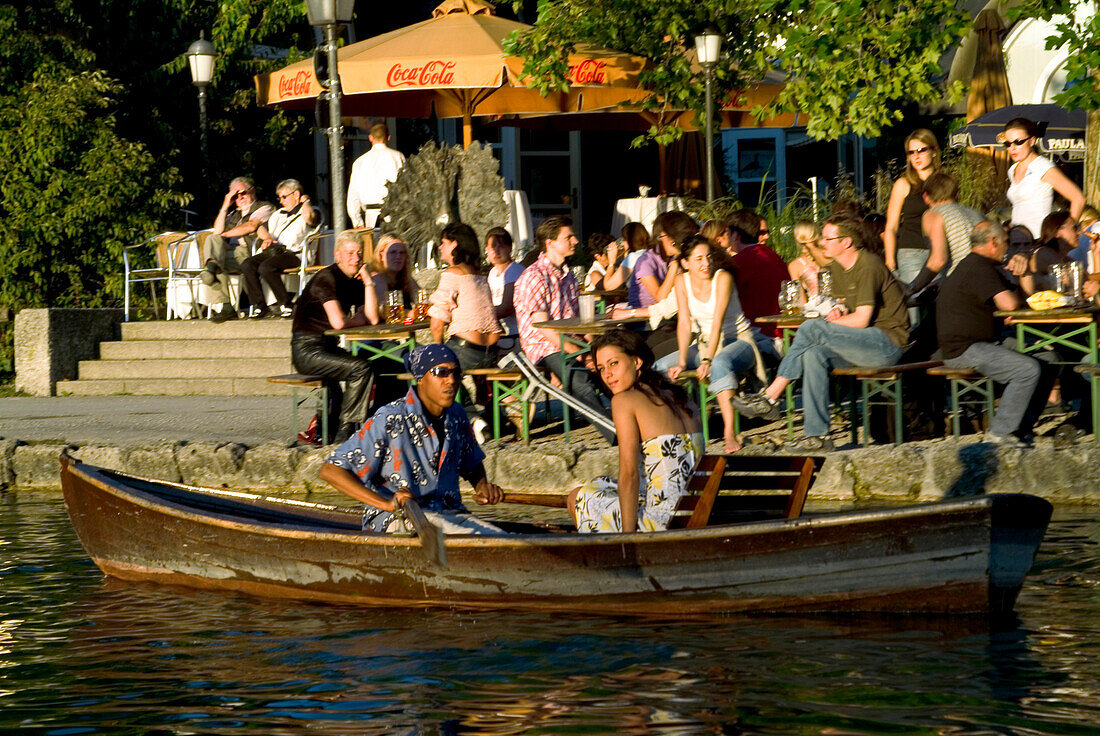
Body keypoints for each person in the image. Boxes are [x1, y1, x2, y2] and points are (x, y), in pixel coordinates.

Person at [734, 215, 910, 453]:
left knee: (811, 327)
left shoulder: (868, 265)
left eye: (828, 238)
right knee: (813, 354)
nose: (822, 243)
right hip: (860, 343)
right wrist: (838, 310)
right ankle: (818, 436)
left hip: (886, 344)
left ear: (846, 242)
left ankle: (771, 396)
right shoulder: (836, 268)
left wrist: (834, 320)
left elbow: (861, 319)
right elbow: (844, 306)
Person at [320, 344, 507, 535]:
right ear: (421, 379)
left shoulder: (457, 415)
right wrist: (387, 503)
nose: (450, 380)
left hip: (448, 513)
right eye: (440, 372)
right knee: (481, 539)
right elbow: (331, 470)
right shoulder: (391, 418)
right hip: (399, 520)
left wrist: (482, 486)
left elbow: (472, 463)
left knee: (503, 538)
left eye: (456, 373)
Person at [568, 329, 703, 533]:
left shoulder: (624, 401)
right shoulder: (681, 397)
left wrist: (628, 537)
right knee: (598, 483)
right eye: (601, 368)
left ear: (637, 362)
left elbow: (629, 474)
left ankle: (614, 561)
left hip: (661, 521)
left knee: (576, 497)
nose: (607, 374)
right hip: (694, 510)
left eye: (614, 363)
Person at [656, 236, 771, 453]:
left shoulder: (722, 278)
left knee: (719, 363)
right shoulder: (682, 281)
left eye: (708, 257)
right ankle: (679, 425)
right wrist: (682, 361)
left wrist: (708, 359)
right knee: (659, 368)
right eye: (698, 259)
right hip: (704, 343)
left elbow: (717, 321)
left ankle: (729, 432)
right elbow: (684, 322)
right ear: (685, 263)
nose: (705, 263)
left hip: (738, 341)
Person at [936, 220, 1046, 445]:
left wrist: (1022, 272)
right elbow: (1011, 305)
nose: (1008, 248)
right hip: (964, 348)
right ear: (994, 242)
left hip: (984, 342)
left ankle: (1021, 427)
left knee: (1048, 358)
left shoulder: (980, 265)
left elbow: (1021, 300)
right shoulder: (978, 266)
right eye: (1006, 242)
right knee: (1027, 369)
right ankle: (1000, 432)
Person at [513, 214, 614, 442]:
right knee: (582, 382)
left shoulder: (568, 277)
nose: (575, 241)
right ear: (550, 242)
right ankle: (616, 433)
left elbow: (578, 320)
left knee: (615, 363)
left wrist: (594, 346)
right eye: (569, 237)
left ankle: (634, 418)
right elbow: (543, 328)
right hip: (546, 346)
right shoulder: (534, 276)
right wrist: (579, 353)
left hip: (572, 342)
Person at [290, 230, 382, 445]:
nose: (356, 259)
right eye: (350, 253)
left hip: (327, 349)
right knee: (361, 368)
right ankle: (346, 430)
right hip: (307, 350)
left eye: (359, 254)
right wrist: (357, 320)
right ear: (337, 255)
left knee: (372, 365)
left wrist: (368, 282)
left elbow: (373, 318)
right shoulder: (326, 278)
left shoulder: (355, 281)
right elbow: (339, 322)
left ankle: (343, 428)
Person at [428, 222, 501, 440]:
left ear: (454, 245)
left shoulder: (452, 274)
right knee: (449, 371)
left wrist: (438, 349)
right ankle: (488, 419)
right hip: (492, 352)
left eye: (443, 243)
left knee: (427, 366)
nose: (440, 248)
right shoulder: (479, 274)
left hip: (466, 350)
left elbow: (437, 322)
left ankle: (471, 419)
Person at [239, 179, 322, 319]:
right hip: (275, 251)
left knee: (266, 267)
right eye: (279, 198)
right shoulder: (278, 214)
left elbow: (309, 218)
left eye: (284, 197)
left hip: (296, 254)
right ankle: (260, 306)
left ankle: (287, 304)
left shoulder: (312, 211)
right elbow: (262, 228)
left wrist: (306, 200)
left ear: (296, 194)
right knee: (247, 264)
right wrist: (267, 239)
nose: (281, 201)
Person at [201, 176, 275, 323]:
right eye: (236, 196)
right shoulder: (232, 214)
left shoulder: (264, 207)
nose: (240, 198)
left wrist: (226, 234)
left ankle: (211, 267)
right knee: (213, 247)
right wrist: (225, 206)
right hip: (231, 254)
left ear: (252, 191)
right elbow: (216, 232)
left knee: (216, 259)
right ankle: (226, 305)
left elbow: (251, 226)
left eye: (243, 193)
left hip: (250, 252)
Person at [1003, 117, 1084, 241]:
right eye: (1008, 144)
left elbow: (1078, 198)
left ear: (1032, 141)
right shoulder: (1012, 170)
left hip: (1039, 239)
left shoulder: (1042, 166)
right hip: (1017, 240)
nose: (1012, 148)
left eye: (1018, 142)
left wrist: (1065, 234)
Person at [723, 209, 789, 341]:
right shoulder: (773, 255)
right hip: (783, 331)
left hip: (759, 334)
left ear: (735, 235)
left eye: (728, 234)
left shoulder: (739, 262)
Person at [884, 130, 940, 283]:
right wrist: (890, 262)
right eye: (911, 152)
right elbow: (891, 227)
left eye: (921, 150)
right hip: (911, 252)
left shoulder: (943, 183)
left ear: (934, 151)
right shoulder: (903, 184)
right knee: (913, 302)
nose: (916, 156)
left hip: (939, 252)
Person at [916, 172, 984, 285]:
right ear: (957, 194)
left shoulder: (933, 214)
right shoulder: (977, 214)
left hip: (962, 281)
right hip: (988, 277)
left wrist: (913, 287)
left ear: (926, 197)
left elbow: (938, 260)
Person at [627, 211, 697, 309]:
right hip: (642, 319)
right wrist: (675, 265)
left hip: (669, 314)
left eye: (663, 235)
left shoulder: (678, 258)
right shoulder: (645, 261)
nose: (661, 238)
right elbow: (660, 298)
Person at [346, 122, 407, 229]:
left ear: (370, 138)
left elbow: (353, 195)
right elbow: (406, 188)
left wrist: (357, 221)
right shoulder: (398, 157)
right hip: (395, 216)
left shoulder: (360, 162)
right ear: (388, 137)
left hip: (371, 218)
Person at [485, 227, 524, 352]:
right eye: (492, 247)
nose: (496, 251)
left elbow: (506, 308)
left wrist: (479, 317)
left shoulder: (515, 271)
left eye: (501, 246)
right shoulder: (492, 273)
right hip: (501, 335)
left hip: (516, 336)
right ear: (486, 250)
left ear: (510, 248)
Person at [1025, 212, 1079, 294]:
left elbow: (1085, 280)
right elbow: (1075, 282)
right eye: (1074, 228)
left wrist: (1096, 252)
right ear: (1057, 232)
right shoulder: (1044, 253)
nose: (1079, 233)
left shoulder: (1064, 257)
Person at [370, 233, 418, 309]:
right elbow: (384, 311)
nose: (398, 257)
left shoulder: (407, 280)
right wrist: (410, 314)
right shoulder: (376, 279)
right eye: (393, 252)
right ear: (381, 255)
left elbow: (422, 300)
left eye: (402, 253)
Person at [603, 221, 650, 291]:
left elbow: (608, 286)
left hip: (640, 300)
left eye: (624, 239)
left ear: (629, 240)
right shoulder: (649, 252)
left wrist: (611, 262)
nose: (623, 243)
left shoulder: (632, 257)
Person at [787, 220, 828, 300]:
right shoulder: (795, 265)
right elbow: (800, 300)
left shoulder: (827, 255)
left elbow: (800, 301)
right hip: (817, 308)